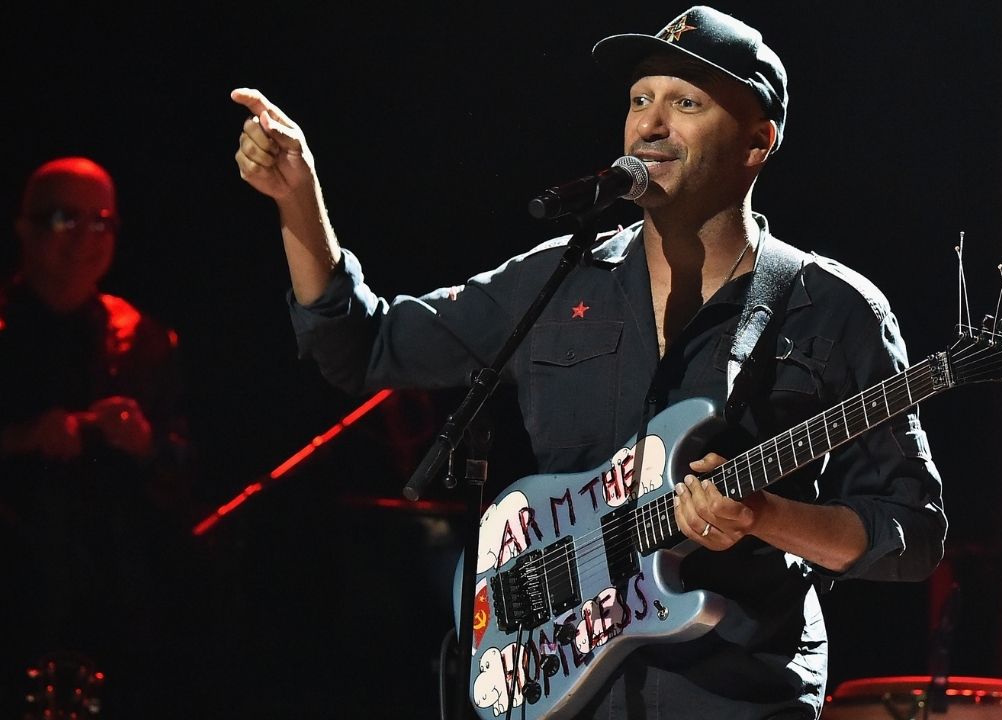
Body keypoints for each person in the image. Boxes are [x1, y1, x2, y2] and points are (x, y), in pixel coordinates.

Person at [232, 6, 946, 719]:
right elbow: (365, 347)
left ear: (759, 140)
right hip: (559, 688)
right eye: (640, 100)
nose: (650, 124)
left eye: (685, 103)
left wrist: (764, 514)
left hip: (738, 694)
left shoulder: (834, 308)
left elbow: (910, 532)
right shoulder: (561, 279)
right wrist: (299, 198)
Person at [0, 157, 189, 717]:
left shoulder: (145, 339)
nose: (86, 238)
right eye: (65, 219)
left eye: (101, 221)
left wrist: (146, 444)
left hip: (113, 611)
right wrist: (22, 438)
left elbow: (184, 471)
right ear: (25, 230)